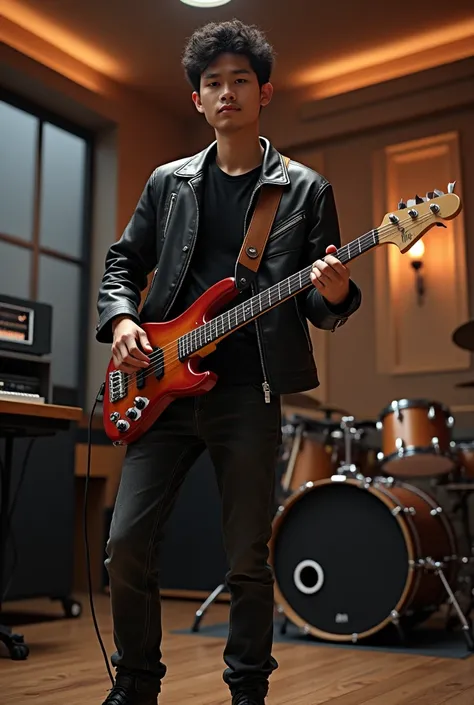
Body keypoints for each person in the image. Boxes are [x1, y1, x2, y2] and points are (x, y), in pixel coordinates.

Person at [95, 18, 361, 705]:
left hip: (249, 388)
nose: (227, 92)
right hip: (159, 383)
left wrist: (336, 293)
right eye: (213, 82)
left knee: (247, 557)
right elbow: (123, 262)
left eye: (240, 80)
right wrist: (124, 318)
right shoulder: (168, 182)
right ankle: (136, 685)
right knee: (125, 542)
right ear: (198, 100)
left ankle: (247, 691)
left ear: (263, 92)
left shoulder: (305, 190)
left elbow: (319, 305)